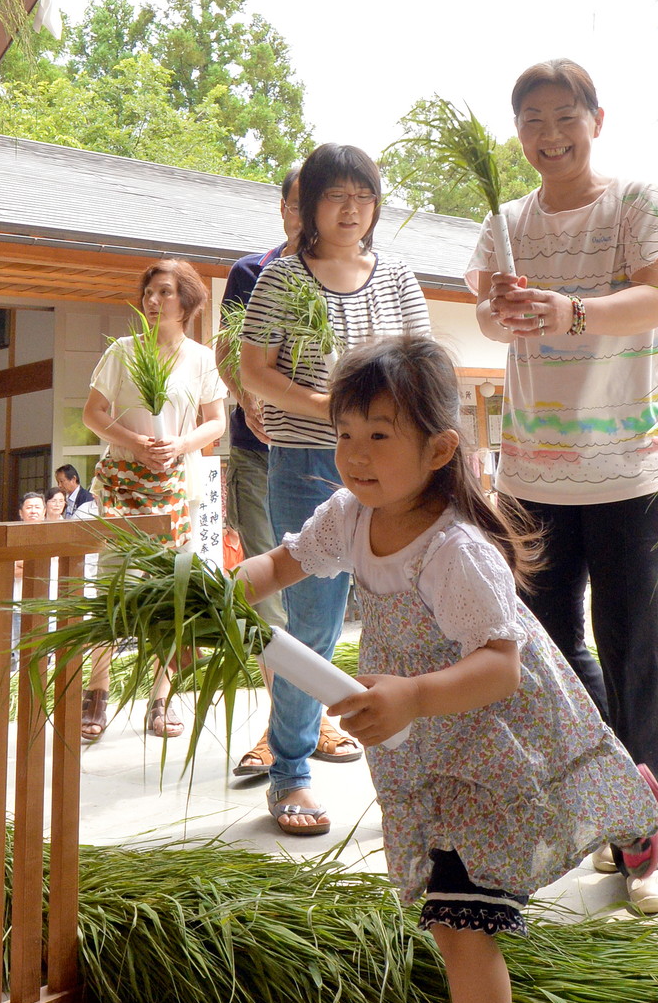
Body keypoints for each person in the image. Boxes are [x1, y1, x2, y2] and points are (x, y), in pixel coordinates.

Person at [237, 336, 658, 1003]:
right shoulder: (348, 516)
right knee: (462, 897)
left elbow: (500, 668)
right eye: (345, 433)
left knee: (462, 917)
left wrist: (416, 698)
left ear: (439, 448)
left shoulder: (455, 547)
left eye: (379, 436)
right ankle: (628, 803)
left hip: (483, 729)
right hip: (424, 741)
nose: (355, 455)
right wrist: (202, 593)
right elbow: (278, 565)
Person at [468, 58, 658, 915]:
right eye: (532, 119)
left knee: (636, 641)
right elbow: (489, 313)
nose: (549, 134)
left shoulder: (634, 202)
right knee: (551, 650)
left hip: (638, 462)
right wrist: (507, 308)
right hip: (536, 468)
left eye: (565, 116)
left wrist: (571, 311)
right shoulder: (505, 223)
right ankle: (622, 813)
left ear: (597, 120)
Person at [240, 143, 431, 835]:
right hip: (308, 459)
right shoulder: (284, 279)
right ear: (309, 205)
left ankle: (415, 776)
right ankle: (290, 771)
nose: (351, 210)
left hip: (398, 463)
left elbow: (423, 364)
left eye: (364, 196)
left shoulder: (399, 276)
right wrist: (330, 407)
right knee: (314, 623)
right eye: (336, 196)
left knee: (412, 620)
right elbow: (253, 369)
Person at [216, 163, 331, 782]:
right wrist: (248, 397)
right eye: (294, 205)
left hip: (329, 452)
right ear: (286, 209)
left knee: (324, 593)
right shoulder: (253, 272)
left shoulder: (345, 273)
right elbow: (229, 351)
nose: (301, 216)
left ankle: (319, 718)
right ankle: (281, 727)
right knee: (273, 590)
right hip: (260, 452)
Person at [81, 258, 227, 741]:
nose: (153, 300)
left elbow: (216, 422)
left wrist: (182, 445)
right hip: (123, 480)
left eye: (164, 292)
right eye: (149, 292)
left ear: (186, 301)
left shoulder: (202, 358)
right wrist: (137, 442)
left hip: (176, 487)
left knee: (172, 590)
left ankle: (160, 699)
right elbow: (94, 414)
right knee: (113, 589)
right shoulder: (122, 351)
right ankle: (97, 692)